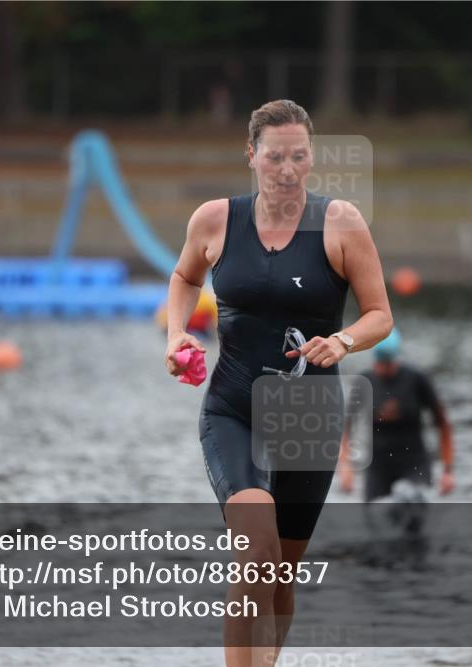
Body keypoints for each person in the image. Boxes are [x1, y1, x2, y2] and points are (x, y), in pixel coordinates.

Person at [163, 99, 393, 667]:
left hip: (308, 417)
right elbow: (184, 277)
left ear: (310, 158)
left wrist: (342, 342)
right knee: (255, 551)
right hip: (233, 409)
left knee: (281, 574)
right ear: (252, 156)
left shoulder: (341, 223)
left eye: (298, 156)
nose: (286, 169)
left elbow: (380, 315)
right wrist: (175, 336)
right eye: (274, 157)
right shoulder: (215, 220)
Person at [338, 328, 455, 502]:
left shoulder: (416, 379)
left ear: (396, 358)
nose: (384, 369)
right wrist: (346, 467)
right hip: (378, 467)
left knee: (406, 497)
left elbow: (443, 424)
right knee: (376, 515)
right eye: (380, 363)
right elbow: (346, 428)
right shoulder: (365, 382)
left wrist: (447, 471)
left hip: (414, 465)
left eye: (388, 363)